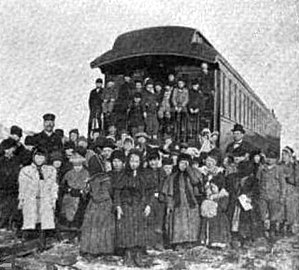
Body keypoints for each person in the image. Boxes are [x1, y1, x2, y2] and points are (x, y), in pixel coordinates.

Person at [114, 150, 154, 267]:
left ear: (140, 162)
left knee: (139, 230)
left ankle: (137, 255)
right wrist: (118, 206)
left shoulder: (145, 175)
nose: (134, 164)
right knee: (127, 231)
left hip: (140, 206)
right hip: (126, 206)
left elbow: (151, 192)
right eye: (132, 161)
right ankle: (128, 255)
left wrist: (148, 205)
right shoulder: (123, 174)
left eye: (136, 161)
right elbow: (117, 191)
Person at [18, 147, 58, 250]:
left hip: (45, 199)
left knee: (44, 222)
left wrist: (53, 200)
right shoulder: (26, 171)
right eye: (37, 157)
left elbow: (53, 186)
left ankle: (42, 242)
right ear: (33, 158)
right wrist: (22, 200)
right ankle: (26, 243)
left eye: (42, 158)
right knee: (30, 220)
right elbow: (23, 186)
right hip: (31, 199)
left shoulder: (50, 170)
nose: (39, 160)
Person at [162, 153, 200, 251]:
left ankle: (190, 242)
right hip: (178, 204)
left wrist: (189, 170)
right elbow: (168, 192)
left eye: (185, 163)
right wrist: (169, 204)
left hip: (190, 203)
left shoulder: (194, 173)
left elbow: (196, 182)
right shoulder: (172, 177)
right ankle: (178, 243)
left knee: (191, 222)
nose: (183, 165)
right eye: (181, 163)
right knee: (178, 223)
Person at [80, 153, 115, 258]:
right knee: (102, 227)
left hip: (96, 205)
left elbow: (91, 193)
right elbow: (109, 192)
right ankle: (103, 249)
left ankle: (92, 249)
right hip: (104, 204)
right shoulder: (105, 178)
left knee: (94, 226)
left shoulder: (94, 179)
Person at [226, 160, 265, 247]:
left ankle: (247, 238)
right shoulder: (234, 178)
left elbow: (256, 192)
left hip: (247, 204)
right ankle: (236, 237)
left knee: (247, 221)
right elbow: (231, 189)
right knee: (235, 221)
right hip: (236, 203)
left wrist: (250, 198)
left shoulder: (253, 180)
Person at [199, 150, 230, 248]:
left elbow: (222, 187)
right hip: (207, 198)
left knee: (218, 220)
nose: (209, 163)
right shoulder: (203, 172)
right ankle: (207, 240)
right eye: (208, 161)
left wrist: (216, 193)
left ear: (216, 162)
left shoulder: (220, 172)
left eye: (212, 161)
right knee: (206, 221)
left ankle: (218, 241)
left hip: (217, 198)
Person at [59, 151, 89, 236]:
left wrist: (82, 191)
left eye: (79, 165)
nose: (77, 168)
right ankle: (68, 227)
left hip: (81, 197)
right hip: (70, 195)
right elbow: (62, 185)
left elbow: (88, 186)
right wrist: (69, 190)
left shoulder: (86, 173)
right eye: (75, 166)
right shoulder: (68, 173)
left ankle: (77, 228)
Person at [257, 153, 285, 240]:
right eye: (268, 157)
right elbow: (258, 181)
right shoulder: (261, 169)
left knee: (273, 215)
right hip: (263, 195)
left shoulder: (278, 169)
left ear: (276, 159)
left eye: (272, 158)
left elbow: (282, 184)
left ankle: (272, 232)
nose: (269, 160)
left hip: (274, 196)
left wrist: (282, 196)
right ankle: (261, 233)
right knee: (261, 214)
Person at [278, 146, 299, 236]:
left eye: (285, 154)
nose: (283, 156)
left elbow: (296, 178)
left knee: (291, 209)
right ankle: (281, 227)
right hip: (281, 189)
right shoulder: (279, 165)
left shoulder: (294, 166)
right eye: (282, 154)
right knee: (281, 209)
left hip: (291, 189)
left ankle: (290, 228)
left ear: (290, 156)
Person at [0, 138, 20, 229]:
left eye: (12, 148)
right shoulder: (1, 161)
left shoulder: (17, 160)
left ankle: (12, 224)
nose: (9, 151)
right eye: (7, 148)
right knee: (4, 207)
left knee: (14, 207)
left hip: (14, 188)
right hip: (3, 188)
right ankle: (3, 223)